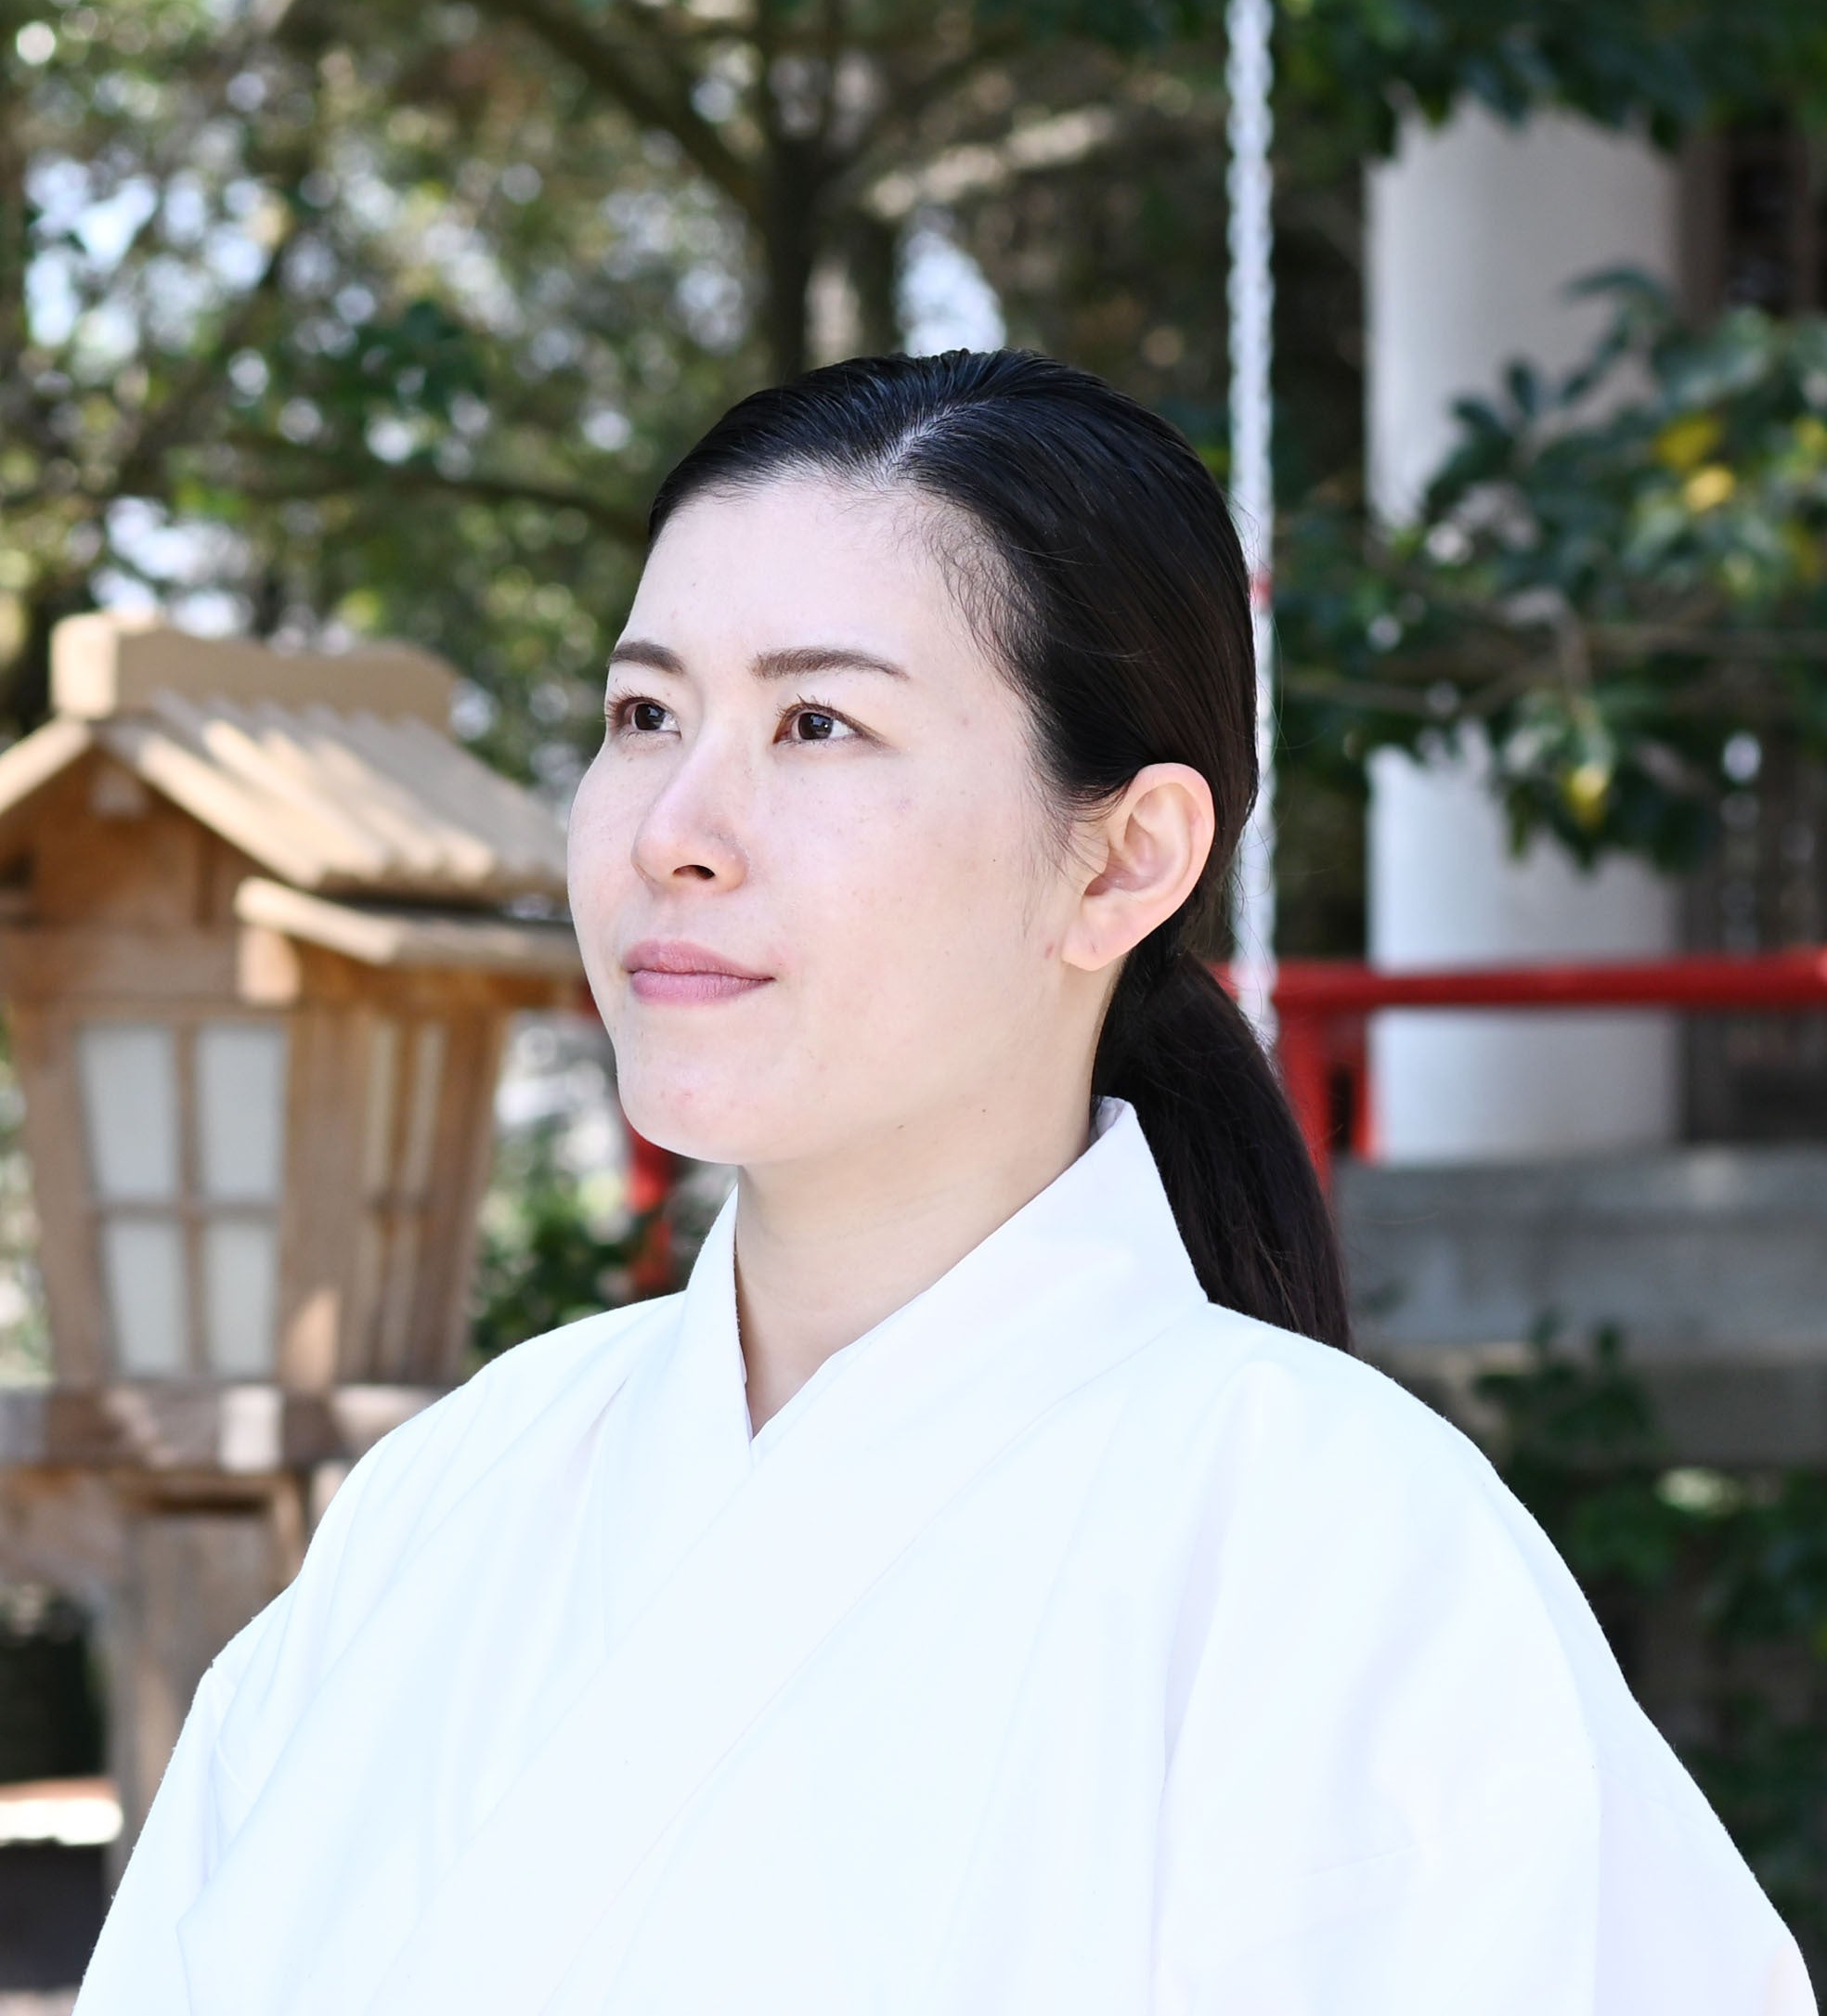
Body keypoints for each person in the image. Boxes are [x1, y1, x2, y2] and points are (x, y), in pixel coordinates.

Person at [77, 351, 1810, 2016]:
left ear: (1122, 858)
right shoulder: (447, 1503)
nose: (673, 827)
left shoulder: (1338, 1556)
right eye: (644, 712)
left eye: (817, 722)